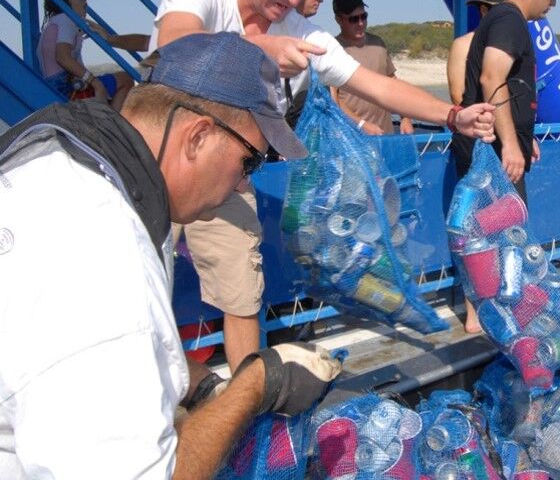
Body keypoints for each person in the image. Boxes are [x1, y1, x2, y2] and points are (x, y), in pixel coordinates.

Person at [150, 0, 496, 371]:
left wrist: (453, 115)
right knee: (145, 286)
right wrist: (264, 50)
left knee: (242, 290)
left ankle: (249, 401)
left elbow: (376, 85)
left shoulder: (302, 32)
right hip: (157, 162)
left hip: (227, 177)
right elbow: (175, 44)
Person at [0, 32, 342, 478]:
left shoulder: (74, 164)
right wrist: (257, 385)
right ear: (198, 137)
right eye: (250, 161)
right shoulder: (102, 256)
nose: (243, 185)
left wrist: (205, 389)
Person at [451, 0, 560, 201]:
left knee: (497, 226)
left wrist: (523, 139)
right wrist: (510, 144)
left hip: (492, 146)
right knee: (506, 227)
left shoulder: (506, 18)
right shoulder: (509, 19)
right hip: (490, 150)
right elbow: (492, 78)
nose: (553, 3)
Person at [447, 0, 510, 333]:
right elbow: (459, 96)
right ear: (485, 12)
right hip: (474, 146)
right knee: (472, 230)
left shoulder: (509, 48)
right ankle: (474, 311)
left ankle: (502, 300)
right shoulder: (463, 45)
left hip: (503, 147)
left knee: (504, 229)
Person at [37, 0, 147, 111]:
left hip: (52, 84)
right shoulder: (67, 19)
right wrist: (96, 83)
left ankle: (108, 120)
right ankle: (111, 124)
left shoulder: (54, 23)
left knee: (114, 86)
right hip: (64, 87)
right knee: (126, 79)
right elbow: (62, 57)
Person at [330, 0, 413, 135]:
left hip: (385, 135)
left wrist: (405, 117)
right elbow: (333, 98)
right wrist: (362, 125)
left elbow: (393, 82)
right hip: (353, 139)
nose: (361, 23)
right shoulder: (332, 49)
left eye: (364, 16)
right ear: (338, 20)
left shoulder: (378, 44)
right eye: (353, 19)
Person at [447, 0, 511, 107]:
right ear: (484, 10)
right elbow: (457, 95)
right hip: (479, 122)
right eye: (503, 12)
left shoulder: (516, 43)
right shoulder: (463, 45)